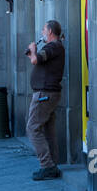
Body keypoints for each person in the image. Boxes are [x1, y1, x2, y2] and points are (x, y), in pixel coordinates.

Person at [24, 20, 65, 180]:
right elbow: (36, 60)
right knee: (48, 129)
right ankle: (52, 164)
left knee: (32, 128)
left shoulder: (53, 46)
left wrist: (33, 51)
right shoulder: (54, 47)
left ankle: (47, 165)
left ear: (50, 32)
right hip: (48, 93)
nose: (41, 32)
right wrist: (32, 54)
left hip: (44, 94)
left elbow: (36, 60)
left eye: (43, 29)